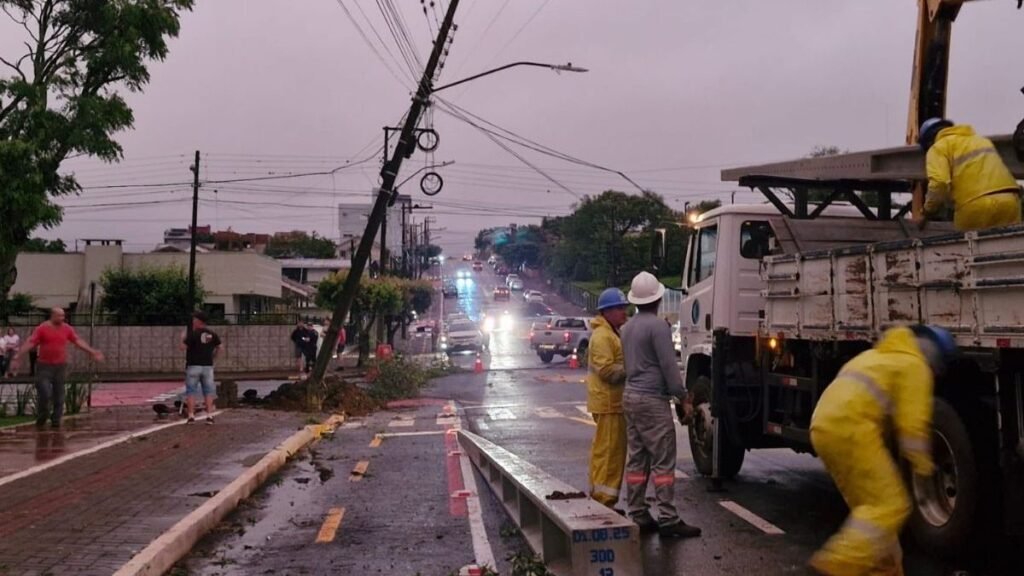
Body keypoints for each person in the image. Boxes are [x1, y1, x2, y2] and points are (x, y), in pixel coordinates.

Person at [808, 325, 955, 576]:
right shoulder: (915, 367)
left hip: (822, 426)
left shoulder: (876, 356)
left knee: (872, 513)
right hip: (851, 430)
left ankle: (886, 569)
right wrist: (923, 467)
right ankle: (835, 566)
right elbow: (912, 428)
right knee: (890, 504)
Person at [620, 272, 701, 538]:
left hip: (630, 397)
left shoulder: (627, 328)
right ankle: (668, 518)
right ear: (658, 298)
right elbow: (669, 366)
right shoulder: (658, 327)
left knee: (637, 458)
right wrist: (682, 396)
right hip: (652, 400)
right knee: (663, 462)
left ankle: (638, 513)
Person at [917, 118, 1022, 231]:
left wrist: (927, 212)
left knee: (971, 247)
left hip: (974, 207)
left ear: (928, 142)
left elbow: (939, 183)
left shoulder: (938, 147)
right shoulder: (981, 141)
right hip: (1010, 200)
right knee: (1010, 245)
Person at [10, 308, 104, 429]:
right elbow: (31, 342)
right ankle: (42, 417)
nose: (62, 318)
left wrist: (92, 351)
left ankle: (56, 421)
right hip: (44, 366)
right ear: (52, 316)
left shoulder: (67, 328)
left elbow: (77, 341)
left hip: (60, 366)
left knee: (59, 395)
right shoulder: (42, 328)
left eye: (63, 316)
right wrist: (18, 356)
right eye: (59, 316)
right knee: (44, 392)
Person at [586, 288, 630, 510]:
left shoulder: (611, 333)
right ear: (607, 311)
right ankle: (604, 501)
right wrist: (633, 367)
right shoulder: (604, 336)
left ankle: (600, 497)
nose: (625, 312)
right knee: (610, 454)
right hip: (609, 403)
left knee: (606, 451)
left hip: (610, 402)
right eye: (620, 308)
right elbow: (607, 371)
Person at [180, 311, 222, 424]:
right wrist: (213, 358)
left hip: (193, 365)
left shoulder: (193, 334)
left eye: (194, 320)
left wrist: (183, 337)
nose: (193, 322)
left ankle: (191, 416)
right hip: (208, 366)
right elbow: (220, 347)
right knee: (208, 392)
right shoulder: (211, 334)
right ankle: (209, 416)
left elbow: (182, 347)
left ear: (198, 321)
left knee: (191, 391)